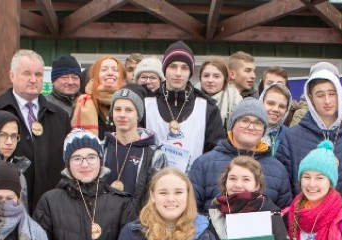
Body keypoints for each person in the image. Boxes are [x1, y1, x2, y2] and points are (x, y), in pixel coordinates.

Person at [0, 49, 70, 213]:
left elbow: (66, 164)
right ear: (12, 76)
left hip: (50, 209)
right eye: (26, 74)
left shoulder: (60, 116)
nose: (33, 80)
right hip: (4, 209)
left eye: (38, 75)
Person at [277, 67, 342, 193]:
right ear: (310, 98)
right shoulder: (291, 138)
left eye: (332, 94)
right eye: (320, 95)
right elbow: (284, 188)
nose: (327, 101)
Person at [190, 98, 292, 211]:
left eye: (258, 123)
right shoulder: (204, 164)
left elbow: (285, 214)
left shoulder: (278, 169)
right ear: (232, 125)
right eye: (245, 120)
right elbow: (191, 210)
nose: (251, 127)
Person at [144, 41, 225, 169]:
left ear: (190, 72)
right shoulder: (147, 104)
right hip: (153, 184)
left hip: (193, 184)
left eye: (184, 68)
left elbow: (216, 154)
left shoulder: (207, 108)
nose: (178, 73)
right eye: (173, 66)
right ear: (164, 70)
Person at [103, 87, 166, 208]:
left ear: (138, 115)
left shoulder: (154, 155)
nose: (122, 115)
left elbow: (157, 196)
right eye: (117, 109)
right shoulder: (101, 148)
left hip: (137, 222)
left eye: (129, 110)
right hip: (103, 220)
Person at [72, 55, 126, 138]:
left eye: (115, 70)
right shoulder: (82, 105)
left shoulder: (129, 103)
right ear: (95, 77)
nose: (110, 73)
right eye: (104, 69)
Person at [196, 57, 242, 127]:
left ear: (225, 79)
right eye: (206, 76)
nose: (210, 80)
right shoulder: (190, 98)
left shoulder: (235, 100)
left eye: (216, 76)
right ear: (200, 78)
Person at [260, 82, 292, 157]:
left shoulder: (289, 137)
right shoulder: (248, 130)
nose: (276, 109)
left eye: (282, 106)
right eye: (270, 103)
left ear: (286, 111)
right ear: (261, 103)